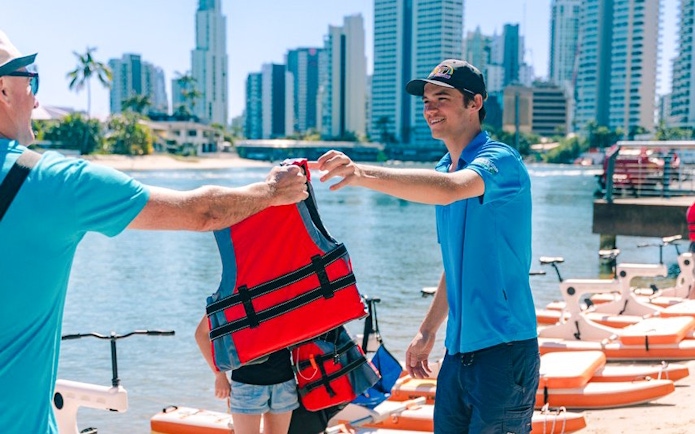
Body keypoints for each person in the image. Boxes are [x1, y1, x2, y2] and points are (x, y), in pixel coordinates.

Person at [0, 30, 308, 434]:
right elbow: (201, 211)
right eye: (32, 81)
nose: (36, 100)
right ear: (4, 89)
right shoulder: (49, 182)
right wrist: (272, 191)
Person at [314, 59, 540, 433]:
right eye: (426, 100)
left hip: (505, 349)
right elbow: (457, 265)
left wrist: (363, 173)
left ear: (475, 103)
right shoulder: (443, 169)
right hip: (458, 354)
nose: (430, 107)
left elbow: (452, 191)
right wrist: (427, 331)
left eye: (442, 98)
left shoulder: (500, 161)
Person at [194, 316, 298, 434]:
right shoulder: (229, 296)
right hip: (259, 384)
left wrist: (220, 375)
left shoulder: (230, 296)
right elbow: (201, 334)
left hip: (277, 384)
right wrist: (219, 375)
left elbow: (201, 334)